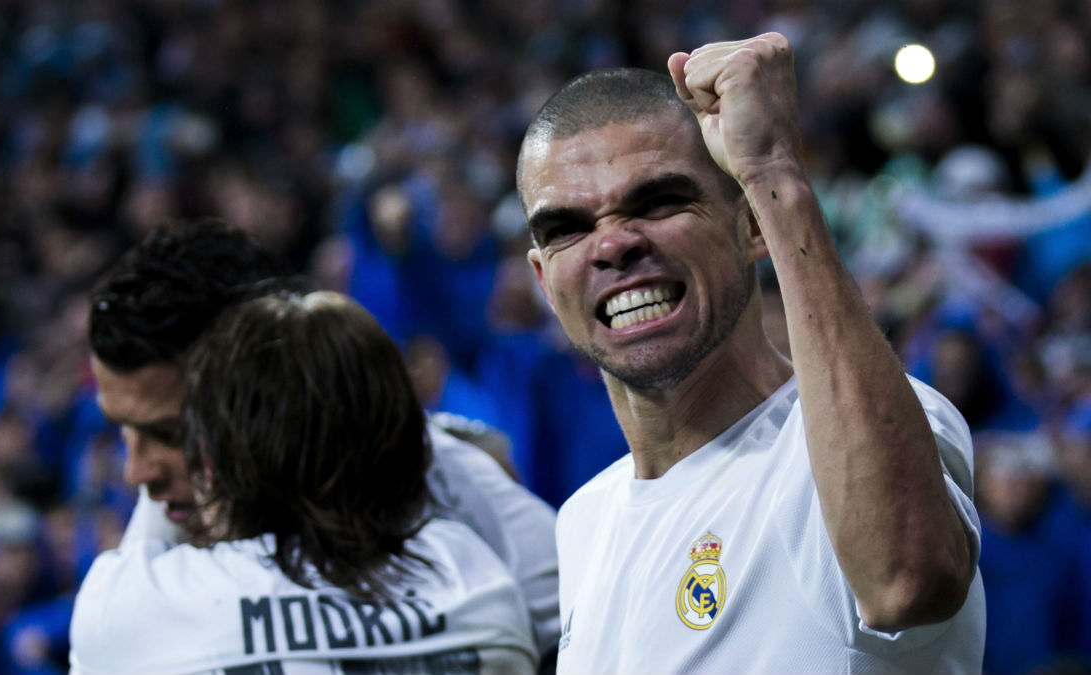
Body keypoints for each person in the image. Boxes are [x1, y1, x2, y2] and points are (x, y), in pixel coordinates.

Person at [516, 33, 985, 673]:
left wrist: (772, 172)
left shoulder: (878, 437)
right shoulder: (582, 522)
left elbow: (908, 583)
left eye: (657, 202)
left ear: (753, 225)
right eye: (568, 228)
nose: (613, 245)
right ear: (544, 281)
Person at [83, 219, 560, 657]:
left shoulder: (458, 489)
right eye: (124, 429)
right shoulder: (147, 562)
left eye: (173, 433)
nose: (138, 472)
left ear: (275, 380)